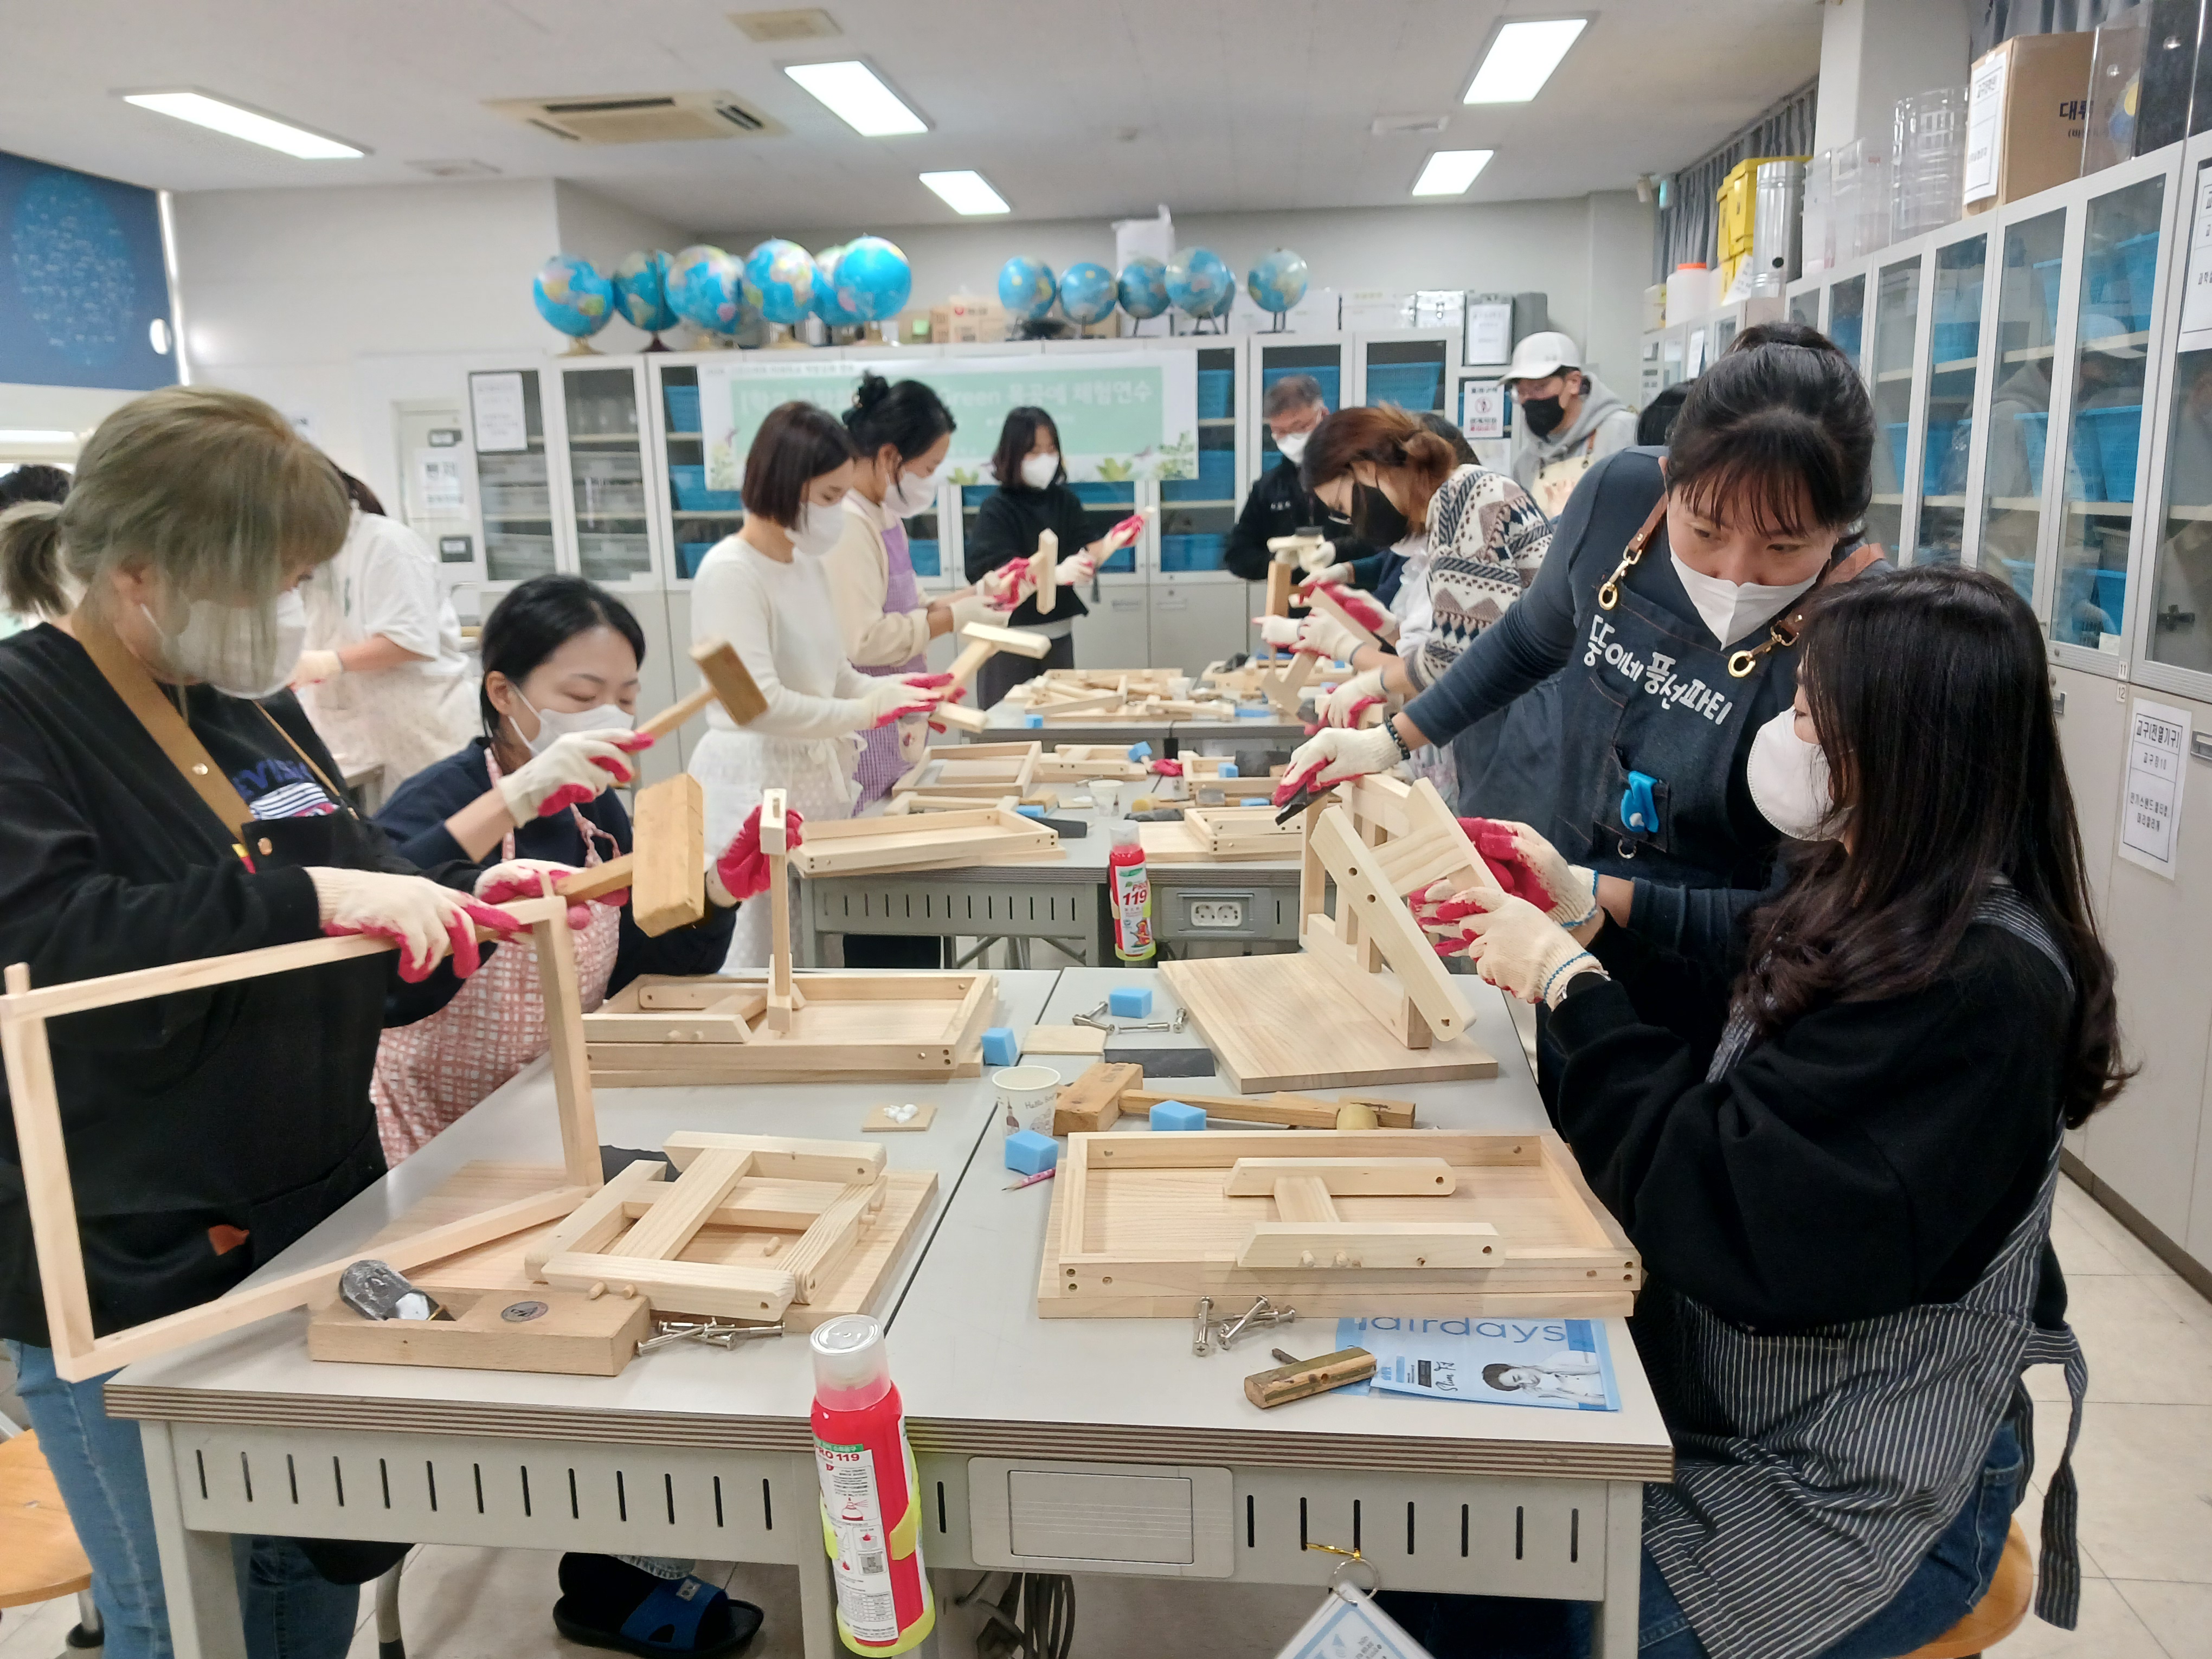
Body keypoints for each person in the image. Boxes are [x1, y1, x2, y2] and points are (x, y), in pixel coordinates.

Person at [1398, 565, 2116, 1659]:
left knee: (1511, 1620)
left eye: (1809, 714)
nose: (1785, 732)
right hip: (1740, 1404)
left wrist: (1570, 988)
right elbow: (1751, 967)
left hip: (1848, 1485)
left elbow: (1726, 1209)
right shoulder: (1882, 890)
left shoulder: (1981, 996)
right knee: (1430, 1564)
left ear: (1905, 748)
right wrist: (1587, 907)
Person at [0, 386, 514, 1659]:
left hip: (309, 1218)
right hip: (129, 1252)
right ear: (138, 569)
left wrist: (452, 910)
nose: (288, 614)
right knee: (189, 1619)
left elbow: (360, 939)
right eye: (268, 580)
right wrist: (317, 893)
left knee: (305, 1582)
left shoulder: (243, 707)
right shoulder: (23, 708)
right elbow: (51, 943)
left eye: (298, 581)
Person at [1282, 323, 1883, 975]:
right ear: (1667, 479)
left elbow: (1822, 908)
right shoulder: (1619, 499)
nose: (1736, 573)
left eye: (1785, 547)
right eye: (1706, 530)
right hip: (1574, 928)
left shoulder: (1869, 628)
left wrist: (1591, 895)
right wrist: (1391, 739)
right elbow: (1525, 640)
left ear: (1842, 527)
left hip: (1738, 971)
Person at [370, 574, 747, 1162]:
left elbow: (634, 972)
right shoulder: (438, 804)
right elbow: (376, 970)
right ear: (503, 693)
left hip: (551, 1111)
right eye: (582, 696)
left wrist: (713, 897)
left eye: (625, 699)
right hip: (434, 1136)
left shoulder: (593, 808)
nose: (609, 717)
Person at [689, 402, 948, 968]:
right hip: (753, 786)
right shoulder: (730, 572)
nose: (837, 513)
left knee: (816, 956)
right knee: (762, 961)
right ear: (786, 486)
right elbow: (759, 707)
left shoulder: (804, 564)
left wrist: (903, 695)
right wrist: (868, 710)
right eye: (829, 498)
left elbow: (835, 676)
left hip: (811, 783)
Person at [1278, 404, 1548, 803]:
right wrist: (1390, 630)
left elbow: (1457, 661)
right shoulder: (1454, 504)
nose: (1353, 522)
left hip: (1530, 733)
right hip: (1512, 725)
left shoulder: (1463, 497)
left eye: (1343, 505)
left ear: (1364, 467)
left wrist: (1369, 691)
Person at [822, 372, 989, 806]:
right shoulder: (848, 524)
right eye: (929, 468)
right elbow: (863, 641)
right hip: (864, 728)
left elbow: (914, 608)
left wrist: (978, 596)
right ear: (890, 455)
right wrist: (954, 618)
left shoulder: (884, 516)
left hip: (895, 723)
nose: (931, 481)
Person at [287, 470, 477, 794]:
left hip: (422, 734)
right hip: (354, 740)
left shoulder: (386, 543)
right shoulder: (312, 556)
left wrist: (322, 664)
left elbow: (408, 640)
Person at [962, 406, 1143, 706]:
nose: (1046, 459)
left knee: (1059, 724)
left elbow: (1086, 548)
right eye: (1034, 452)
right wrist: (1055, 575)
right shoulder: (997, 509)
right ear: (1013, 454)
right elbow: (993, 574)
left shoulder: (1066, 501)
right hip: (1009, 641)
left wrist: (1111, 542)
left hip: (1058, 637)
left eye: (1051, 449)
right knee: (1008, 730)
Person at [1223, 374, 1377, 588]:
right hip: (1297, 604)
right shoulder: (1269, 487)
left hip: (1362, 596)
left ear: (1323, 415)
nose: (1292, 439)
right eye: (1281, 432)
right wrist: (1276, 562)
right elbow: (1237, 555)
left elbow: (1388, 540)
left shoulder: (1361, 473)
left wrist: (1336, 550)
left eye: (1301, 427)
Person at [1502, 330, 1639, 516]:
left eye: (1539, 388)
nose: (1530, 399)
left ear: (1574, 382)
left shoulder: (1623, 433)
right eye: (1522, 392)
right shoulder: (1526, 463)